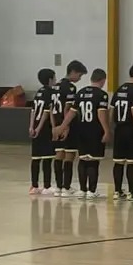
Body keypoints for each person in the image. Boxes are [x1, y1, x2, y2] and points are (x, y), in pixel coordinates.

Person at [67, 69, 111, 199]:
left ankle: (82, 189)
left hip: (81, 129)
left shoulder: (80, 93)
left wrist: (63, 126)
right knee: (93, 161)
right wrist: (107, 130)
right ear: (102, 80)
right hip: (95, 130)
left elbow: (72, 111)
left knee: (83, 159)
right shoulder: (101, 95)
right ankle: (92, 191)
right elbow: (101, 113)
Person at [109, 63, 133, 200]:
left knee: (119, 161)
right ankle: (132, 191)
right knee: (132, 161)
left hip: (119, 128)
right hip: (131, 128)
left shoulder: (119, 89)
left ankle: (117, 191)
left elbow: (112, 109)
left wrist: (111, 127)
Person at [50, 60, 86, 197]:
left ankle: (58, 187)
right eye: (80, 75)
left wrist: (55, 127)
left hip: (57, 123)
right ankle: (66, 187)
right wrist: (66, 127)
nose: (79, 78)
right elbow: (68, 108)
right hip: (67, 125)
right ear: (73, 72)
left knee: (59, 154)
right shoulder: (70, 88)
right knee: (70, 154)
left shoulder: (55, 87)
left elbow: (52, 108)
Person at [28, 69, 56, 195]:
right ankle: (47, 186)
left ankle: (34, 186)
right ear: (50, 80)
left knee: (36, 158)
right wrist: (39, 128)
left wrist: (31, 127)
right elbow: (46, 112)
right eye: (54, 78)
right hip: (44, 129)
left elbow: (33, 110)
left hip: (34, 126)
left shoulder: (38, 92)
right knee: (47, 158)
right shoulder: (51, 93)